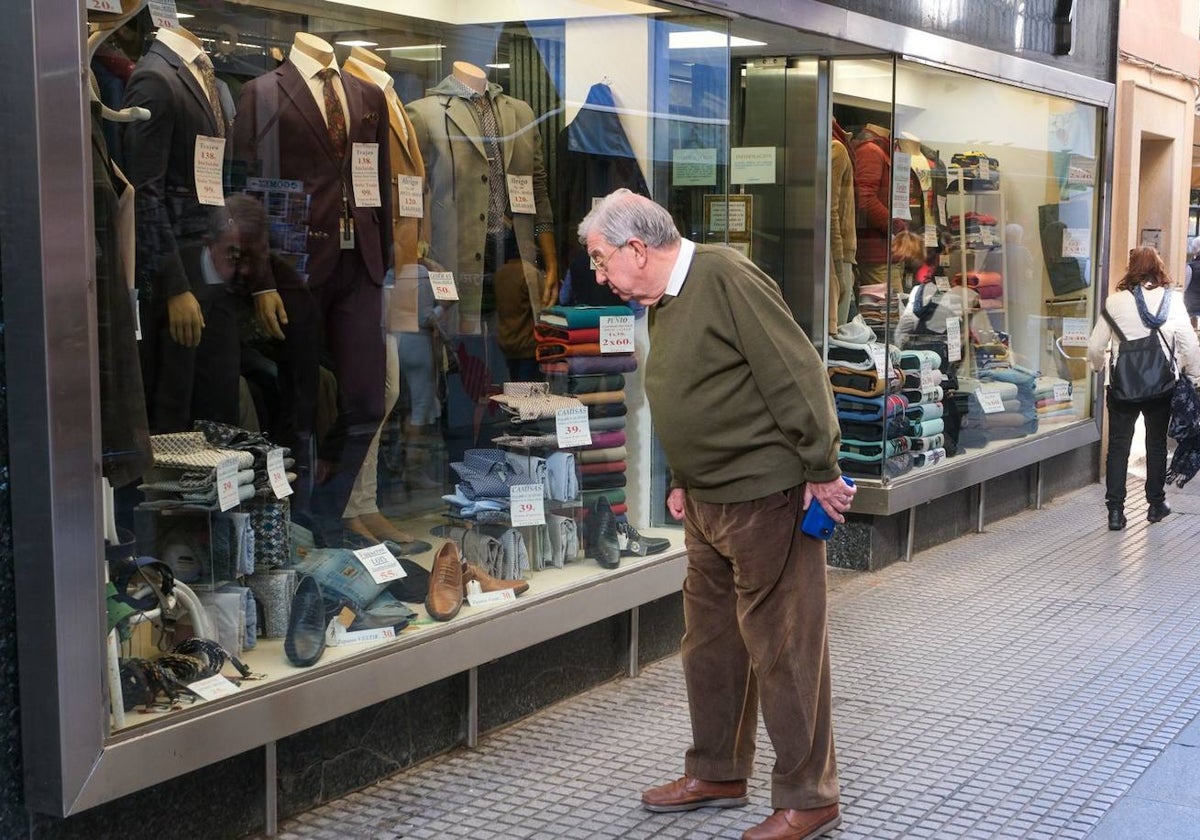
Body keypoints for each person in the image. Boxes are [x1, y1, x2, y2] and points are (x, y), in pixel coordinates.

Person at [578, 188, 852, 840]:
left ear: (636, 249)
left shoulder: (725, 275)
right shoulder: (660, 302)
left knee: (785, 650)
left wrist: (823, 468)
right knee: (710, 647)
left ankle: (810, 796)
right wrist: (680, 477)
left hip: (767, 498)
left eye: (599, 259)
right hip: (705, 502)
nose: (598, 275)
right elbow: (693, 389)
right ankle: (719, 769)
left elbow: (797, 372)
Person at [1087, 246, 1200, 531]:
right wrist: (1196, 379)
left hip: (1122, 386)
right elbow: (1189, 345)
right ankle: (1155, 504)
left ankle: (1115, 512)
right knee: (1156, 445)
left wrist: (1098, 367)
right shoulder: (1173, 302)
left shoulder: (1115, 302)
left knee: (1118, 448)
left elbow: (1095, 346)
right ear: (1158, 268)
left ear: (1131, 268)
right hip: (1161, 386)